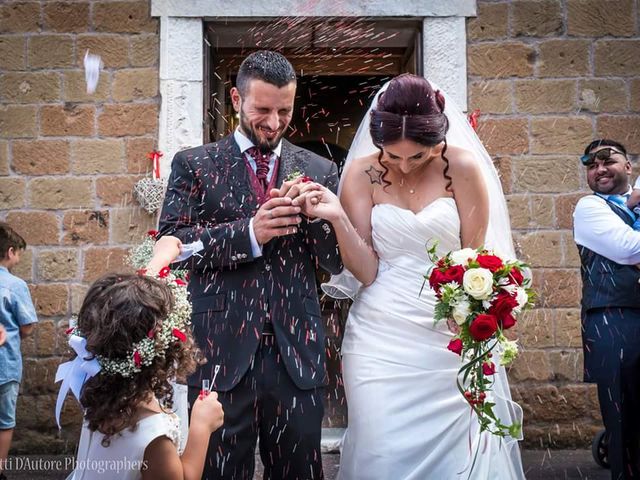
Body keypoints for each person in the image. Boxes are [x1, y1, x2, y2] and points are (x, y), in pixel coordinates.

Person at [294, 74, 524, 478]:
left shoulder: (464, 168)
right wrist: (337, 218)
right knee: (382, 449)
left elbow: (476, 256)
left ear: (438, 140)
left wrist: (473, 313)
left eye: (417, 157)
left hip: (447, 336)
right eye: (391, 155)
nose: (402, 165)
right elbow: (365, 271)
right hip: (379, 336)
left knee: (457, 456)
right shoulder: (361, 174)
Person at [158, 50, 342, 479]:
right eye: (262, 109)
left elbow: (332, 263)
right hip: (219, 350)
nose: (274, 123)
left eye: (285, 110)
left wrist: (321, 219)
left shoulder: (319, 168)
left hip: (296, 351)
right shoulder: (194, 164)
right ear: (237, 100)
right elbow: (174, 245)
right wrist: (249, 234)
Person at [57, 236, 225, 480]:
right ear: (164, 345)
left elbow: (124, 311)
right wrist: (202, 426)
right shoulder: (153, 436)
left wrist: (160, 259)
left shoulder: (95, 384)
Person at [573, 139, 640, 480]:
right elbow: (629, 249)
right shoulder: (589, 208)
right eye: (591, 165)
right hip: (614, 318)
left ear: (628, 167)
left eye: (608, 161)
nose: (599, 169)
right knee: (624, 414)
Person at [0, 223, 38, 480]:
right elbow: (27, 326)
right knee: (4, 420)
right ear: (10, 251)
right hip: (5, 364)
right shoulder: (14, 285)